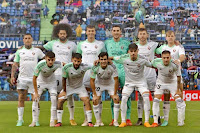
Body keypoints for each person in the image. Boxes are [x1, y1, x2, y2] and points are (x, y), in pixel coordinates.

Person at [38, 23, 77, 126]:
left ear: (67, 34)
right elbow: (42, 48)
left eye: (64, 33)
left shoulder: (72, 45)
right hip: (55, 74)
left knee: (69, 96)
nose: (62, 35)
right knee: (55, 97)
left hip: (68, 73)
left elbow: (76, 56)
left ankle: (71, 118)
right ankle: (55, 118)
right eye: (61, 33)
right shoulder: (53, 43)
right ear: (58, 34)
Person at [110, 43, 152, 128]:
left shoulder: (142, 59)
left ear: (137, 51)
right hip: (129, 83)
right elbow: (112, 58)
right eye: (131, 51)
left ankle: (146, 121)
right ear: (128, 52)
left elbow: (152, 64)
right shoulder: (124, 58)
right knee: (124, 98)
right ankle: (123, 121)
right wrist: (99, 60)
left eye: (135, 51)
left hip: (141, 82)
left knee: (146, 97)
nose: (133, 53)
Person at [11, 33, 45, 126]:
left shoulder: (37, 51)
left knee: (36, 99)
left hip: (34, 78)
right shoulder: (19, 51)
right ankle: (20, 120)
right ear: (23, 40)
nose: (27, 40)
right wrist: (12, 76)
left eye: (29, 38)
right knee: (21, 97)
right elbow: (15, 64)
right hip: (22, 78)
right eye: (25, 38)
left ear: (32, 39)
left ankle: (36, 120)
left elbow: (45, 60)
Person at [77, 25, 106, 126]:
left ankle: (99, 119)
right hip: (85, 73)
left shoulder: (100, 44)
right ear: (86, 32)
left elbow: (104, 57)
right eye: (89, 31)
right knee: (86, 97)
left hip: (97, 73)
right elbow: (78, 58)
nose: (91, 33)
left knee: (98, 97)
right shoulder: (81, 44)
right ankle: (86, 119)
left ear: (95, 32)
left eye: (92, 31)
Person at [155, 30, 186, 126]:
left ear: (174, 36)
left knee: (180, 97)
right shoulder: (163, 47)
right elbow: (155, 50)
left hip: (176, 75)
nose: (170, 37)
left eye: (172, 36)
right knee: (166, 98)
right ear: (166, 38)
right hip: (164, 76)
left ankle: (181, 120)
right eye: (169, 36)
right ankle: (166, 120)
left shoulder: (178, 47)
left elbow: (182, 56)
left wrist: (178, 60)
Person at [55, 53, 94, 127]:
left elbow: (94, 65)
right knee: (60, 100)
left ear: (81, 61)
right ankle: (59, 122)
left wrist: (97, 62)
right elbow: (63, 79)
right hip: (69, 86)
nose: (76, 63)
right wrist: (64, 91)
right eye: (75, 61)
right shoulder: (67, 67)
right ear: (72, 60)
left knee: (87, 100)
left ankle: (89, 122)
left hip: (80, 87)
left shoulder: (84, 66)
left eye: (78, 61)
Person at [105, 25, 132, 126]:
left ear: (121, 32)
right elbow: (104, 56)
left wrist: (113, 57)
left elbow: (130, 54)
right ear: (111, 32)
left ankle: (127, 118)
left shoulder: (126, 43)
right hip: (112, 71)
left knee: (127, 95)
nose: (116, 32)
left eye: (118, 30)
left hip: (124, 71)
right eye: (114, 31)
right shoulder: (107, 43)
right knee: (114, 95)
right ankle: (114, 118)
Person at [29, 51, 61, 127]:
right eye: (49, 60)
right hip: (41, 82)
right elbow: (34, 78)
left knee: (53, 99)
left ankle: (52, 121)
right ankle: (34, 121)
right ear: (46, 58)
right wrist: (36, 93)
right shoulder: (40, 65)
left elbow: (64, 68)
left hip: (51, 82)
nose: (50, 62)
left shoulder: (58, 64)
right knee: (35, 100)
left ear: (55, 59)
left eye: (52, 60)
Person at [135, 28, 158, 125]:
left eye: (144, 34)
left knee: (155, 97)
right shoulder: (134, 46)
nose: (142, 36)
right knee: (140, 97)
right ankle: (140, 118)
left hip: (151, 75)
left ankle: (157, 118)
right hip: (140, 76)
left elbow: (163, 48)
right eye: (141, 34)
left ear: (147, 35)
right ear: (138, 35)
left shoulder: (153, 45)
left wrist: (176, 43)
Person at [91, 52, 120, 127]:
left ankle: (115, 121)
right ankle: (98, 121)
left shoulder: (112, 67)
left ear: (108, 59)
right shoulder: (95, 67)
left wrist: (115, 93)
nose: (103, 61)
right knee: (95, 100)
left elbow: (116, 80)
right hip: (99, 84)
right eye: (102, 59)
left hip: (110, 84)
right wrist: (94, 94)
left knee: (116, 99)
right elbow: (92, 80)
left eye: (105, 59)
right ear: (99, 60)